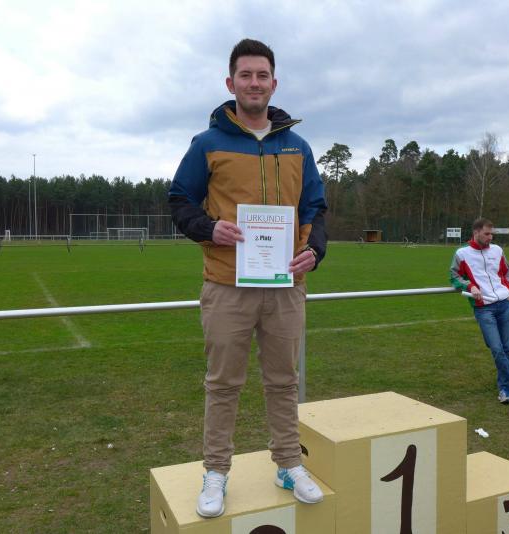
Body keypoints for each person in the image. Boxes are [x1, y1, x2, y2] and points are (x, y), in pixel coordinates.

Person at [168, 38, 327, 519]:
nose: (254, 83)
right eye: (245, 75)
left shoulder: (298, 146)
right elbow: (180, 201)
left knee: (284, 381)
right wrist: (208, 227)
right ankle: (216, 471)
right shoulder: (207, 143)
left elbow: (315, 208)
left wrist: (314, 251)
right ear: (230, 82)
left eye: (262, 76)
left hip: (285, 287)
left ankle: (288, 464)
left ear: (273, 83)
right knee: (223, 384)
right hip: (226, 285)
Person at [450, 218, 509, 404]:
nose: (490, 237)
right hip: (484, 307)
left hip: (505, 303)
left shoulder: (497, 250)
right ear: (476, 232)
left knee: (507, 348)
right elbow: (454, 276)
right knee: (496, 348)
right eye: (486, 234)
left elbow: (507, 271)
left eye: (492, 234)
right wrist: (470, 286)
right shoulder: (462, 253)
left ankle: (505, 390)